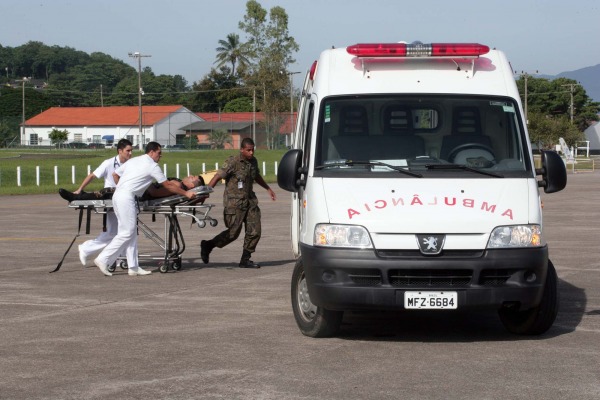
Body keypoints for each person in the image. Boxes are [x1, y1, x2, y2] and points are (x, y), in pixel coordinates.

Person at [93, 142, 196, 277]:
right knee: (127, 232)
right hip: (126, 197)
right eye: (159, 153)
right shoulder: (152, 166)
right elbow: (168, 185)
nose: (161, 156)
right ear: (151, 152)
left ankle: (133, 267)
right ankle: (103, 259)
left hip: (120, 196)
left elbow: (115, 175)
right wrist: (186, 194)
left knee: (131, 233)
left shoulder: (134, 160)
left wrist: (124, 187)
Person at [200, 137, 276, 269]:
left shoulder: (253, 162)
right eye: (248, 150)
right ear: (241, 150)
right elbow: (217, 176)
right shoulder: (233, 162)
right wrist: (206, 193)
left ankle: (245, 259)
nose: (251, 153)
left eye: (253, 150)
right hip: (234, 204)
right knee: (233, 233)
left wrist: (268, 188)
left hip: (250, 201)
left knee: (255, 231)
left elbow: (256, 175)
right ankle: (208, 245)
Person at [58, 138, 133, 266]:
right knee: (116, 232)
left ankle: (113, 255)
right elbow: (92, 175)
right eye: (128, 150)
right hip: (110, 196)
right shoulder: (109, 163)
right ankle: (76, 196)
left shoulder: (132, 164)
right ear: (120, 151)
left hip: (124, 198)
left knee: (120, 231)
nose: (130, 153)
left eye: (131, 151)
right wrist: (80, 189)